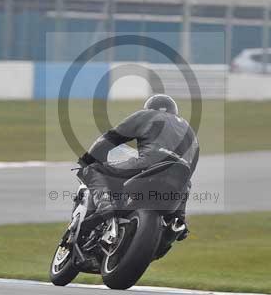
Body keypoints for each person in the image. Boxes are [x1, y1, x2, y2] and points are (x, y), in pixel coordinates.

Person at [77, 94, 199, 240]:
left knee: (94, 169)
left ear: (149, 108)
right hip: (178, 179)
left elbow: (111, 137)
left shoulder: (147, 115)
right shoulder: (192, 134)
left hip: (149, 164)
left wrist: (88, 160)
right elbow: (191, 170)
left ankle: (105, 204)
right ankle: (178, 223)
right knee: (186, 183)